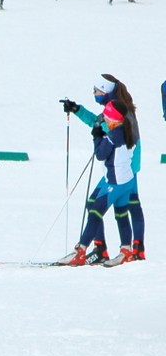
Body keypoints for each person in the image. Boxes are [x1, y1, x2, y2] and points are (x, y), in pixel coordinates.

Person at [56, 101, 138, 267]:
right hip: (126, 180)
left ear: (114, 120)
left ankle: (80, 251)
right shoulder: (127, 129)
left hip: (115, 182)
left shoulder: (114, 135)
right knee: (120, 213)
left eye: (107, 117)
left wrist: (96, 136)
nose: (105, 119)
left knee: (95, 211)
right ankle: (126, 250)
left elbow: (101, 154)